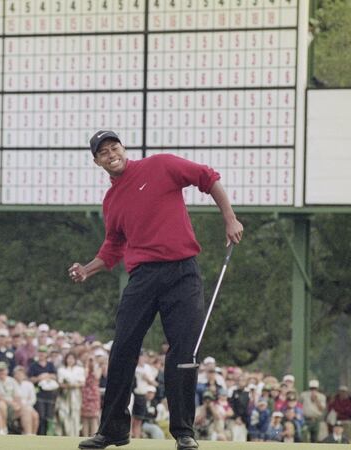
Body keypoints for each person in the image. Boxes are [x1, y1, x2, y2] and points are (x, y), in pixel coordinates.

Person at [71, 130, 243, 450]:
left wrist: (229, 218)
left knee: (182, 351)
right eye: (103, 152)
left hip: (183, 272)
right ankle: (113, 431)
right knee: (122, 347)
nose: (111, 154)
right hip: (143, 278)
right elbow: (113, 246)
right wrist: (87, 269)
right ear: (96, 162)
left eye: (114, 147)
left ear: (123, 148)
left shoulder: (161, 165)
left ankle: (183, 432)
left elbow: (208, 177)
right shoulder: (111, 201)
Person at [0, 360, 38, 435]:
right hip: (3, 405)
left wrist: (18, 404)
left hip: (13, 406)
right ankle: (3, 428)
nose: (1, 372)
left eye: (3, 370)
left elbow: (17, 396)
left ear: (7, 371)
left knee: (26, 410)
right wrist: (11, 403)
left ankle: (28, 433)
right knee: (1, 404)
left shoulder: (12, 380)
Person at [28, 345, 58, 436]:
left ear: (46, 354)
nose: (42, 354)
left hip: (50, 394)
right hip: (39, 393)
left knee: (49, 416)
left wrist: (47, 375)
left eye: (44, 352)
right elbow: (30, 379)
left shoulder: (50, 365)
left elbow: (55, 376)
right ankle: (40, 434)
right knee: (41, 415)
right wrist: (39, 378)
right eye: (40, 352)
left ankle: (47, 434)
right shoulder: (34, 365)